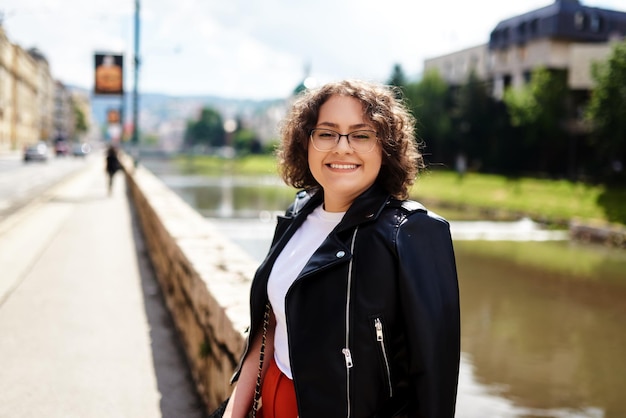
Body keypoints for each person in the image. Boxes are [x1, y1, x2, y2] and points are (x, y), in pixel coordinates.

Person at [223, 79, 460, 417]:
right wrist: (235, 411)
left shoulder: (412, 233)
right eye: (326, 133)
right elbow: (269, 326)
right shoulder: (298, 213)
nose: (342, 147)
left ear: (385, 147)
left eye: (361, 135)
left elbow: (433, 382)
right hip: (274, 399)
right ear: (307, 142)